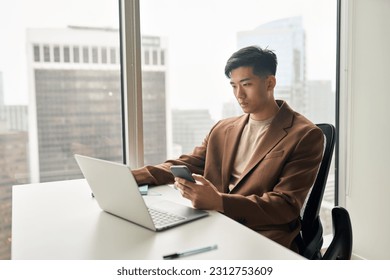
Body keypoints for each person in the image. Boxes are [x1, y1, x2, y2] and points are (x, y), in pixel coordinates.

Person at [132, 46, 324, 252]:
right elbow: (188, 163)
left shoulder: (305, 135)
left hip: (262, 236)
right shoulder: (223, 128)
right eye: (233, 86)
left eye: (246, 84)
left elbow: (285, 205)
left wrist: (219, 201)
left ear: (270, 83)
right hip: (213, 223)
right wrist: (133, 176)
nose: (239, 94)